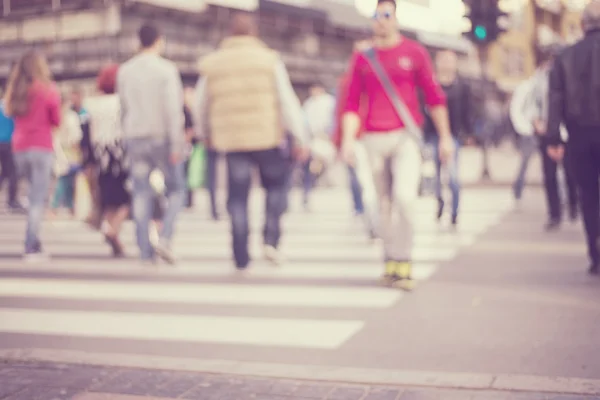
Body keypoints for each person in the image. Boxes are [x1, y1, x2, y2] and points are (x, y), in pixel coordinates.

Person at [340, 0, 452, 290]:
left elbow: (434, 97)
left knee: (404, 197)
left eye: (387, 15)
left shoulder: (414, 52)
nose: (382, 21)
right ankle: (390, 260)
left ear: (396, 18)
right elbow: (351, 102)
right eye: (377, 16)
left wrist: (445, 137)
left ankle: (405, 260)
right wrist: (348, 141)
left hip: (405, 137)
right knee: (383, 203)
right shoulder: (363, 58)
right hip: (373, 139)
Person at [194, 11, 308, 270]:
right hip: (266, 138)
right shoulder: (269, 60)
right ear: (254, 33)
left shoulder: (214, 63)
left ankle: (240, 253)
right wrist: (299, 136)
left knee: (237, 197)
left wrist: (205, 134)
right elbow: (286, 101)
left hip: (232, 142)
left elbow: (201, 103)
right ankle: (270, 237)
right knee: (276, 188)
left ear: (229, 34)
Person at [117, 22, 186, 265]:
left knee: (141, 193)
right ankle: (165, 238)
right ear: (159, 40)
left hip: (135, 138)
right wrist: (177, 144)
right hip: (162, 138)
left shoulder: (125, 71)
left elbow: (123, 109)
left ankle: (145, 250)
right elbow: (173, 110)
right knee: (177, 189)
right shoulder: (166, 70)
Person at [546, 0, 600, 275]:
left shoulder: (565, 57)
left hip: (579, 135)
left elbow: (554, 100)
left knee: (588, 194)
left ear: (583, 25)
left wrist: (553, 138)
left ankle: (595, 252)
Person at [3, 51, 61, 260]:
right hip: (41, 147)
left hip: (19, 148)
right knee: (37, 199)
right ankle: (31, 246)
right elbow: (57, 120)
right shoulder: (48, 89)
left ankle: (35, 241)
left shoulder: (15, 91)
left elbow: (10, 113)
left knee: (32, 195)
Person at [513, 48, 578, 230]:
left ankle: (573, 205)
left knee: (569, 172)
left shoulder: (568, 76)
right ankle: (554, 213)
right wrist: (536, 122)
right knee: (549, 175)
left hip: (565, 132)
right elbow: (532, 103)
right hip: (547, 132)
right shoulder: (538, 80)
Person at [86, 64, 131, 257]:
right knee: (127, 200)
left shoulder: (92, 105)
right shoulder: (122, 103)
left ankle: (113, 233)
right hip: (120, 157)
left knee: (109, 201)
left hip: (100, 158)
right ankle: (111, 230)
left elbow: (87, 135)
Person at [423, 50, 471, 226]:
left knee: (452, 176)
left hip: (453, 136)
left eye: (451, 61)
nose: (447, 64)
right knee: (434, 175)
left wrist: (468, 133)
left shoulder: (462, 86)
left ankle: (455, 211)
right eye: (444, 60)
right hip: (432, 135)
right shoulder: (430, 84)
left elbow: (468, 111)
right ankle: (440, 201)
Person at [301, 81, 336, 210]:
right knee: (311, 166)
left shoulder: (330, 102)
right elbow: (303, 121)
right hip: (312, 139)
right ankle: (308, 192)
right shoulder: (309, 104)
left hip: (326, 138)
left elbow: (334, 119)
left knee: (321, 164)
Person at [49, 94, 83, 218]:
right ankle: (55, 206)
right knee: (65, 180)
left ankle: (69, 206)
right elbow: (76, 136)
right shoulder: (71, 116)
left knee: (67, 179)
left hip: (58, 150)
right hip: (70, 151)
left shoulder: (56, 116)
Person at [0, 85, 23, 212]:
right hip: (9, 143)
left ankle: (12, 200)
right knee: (13, 173)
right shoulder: (12, 108)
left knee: (4, 172)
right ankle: (12, 201)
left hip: (0, 143)